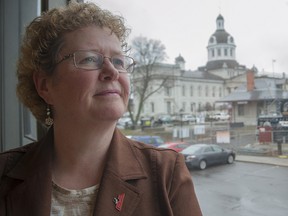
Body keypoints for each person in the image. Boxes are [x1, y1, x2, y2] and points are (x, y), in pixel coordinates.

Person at [0, 1, 202, 215]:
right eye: (89, 59)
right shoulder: (3, 175)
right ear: (44, 85)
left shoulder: (167, 173)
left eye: (118, 61)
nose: (112, 71)